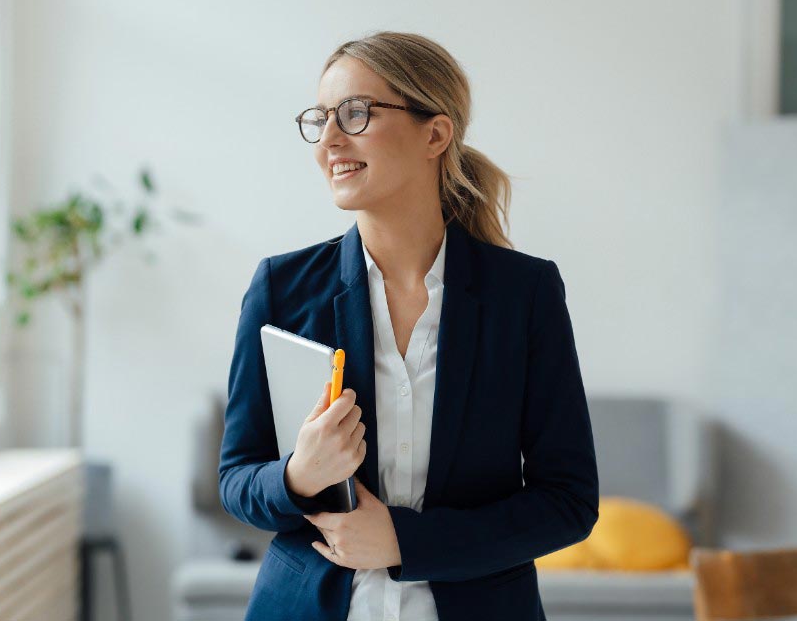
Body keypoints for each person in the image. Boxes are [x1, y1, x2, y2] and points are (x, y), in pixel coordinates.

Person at [218, 31, 599, 621]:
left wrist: (404, 542)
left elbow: (568, 501)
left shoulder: (524, 295)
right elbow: (237, 479)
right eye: (320, 119)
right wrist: (297, 475)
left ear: (436, 133)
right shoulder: (281, 288)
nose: (330, 140)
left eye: (356, 113)